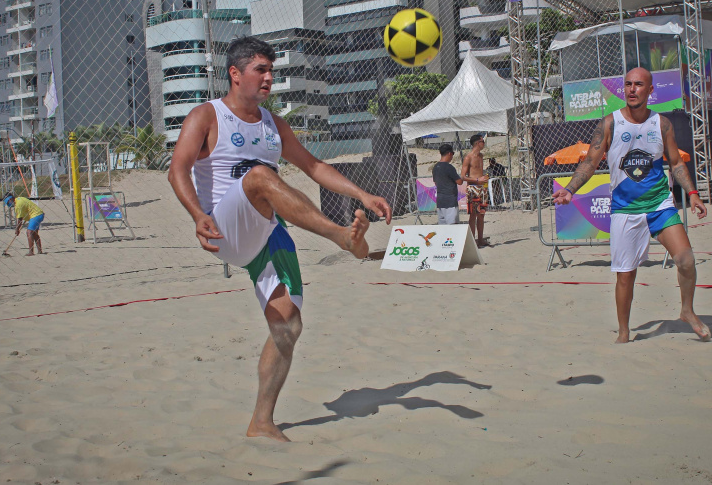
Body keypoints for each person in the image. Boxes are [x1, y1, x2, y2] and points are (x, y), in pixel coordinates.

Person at [167, 36, 392, 442]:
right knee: (259, 177)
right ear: (235, 75)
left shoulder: (274, 124)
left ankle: (262, 422)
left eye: (272, 70)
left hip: (268, 231)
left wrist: (361, 194)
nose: (270, 77)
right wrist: (197, 214)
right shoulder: (207, 116)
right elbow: (177, 170)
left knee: (288, 325)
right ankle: (341, 237)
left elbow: (313, 165)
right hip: (225, 225)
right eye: (261, 70)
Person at [552, 67, 711, 344]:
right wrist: (569, 190)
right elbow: (590, 161)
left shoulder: (662, 124)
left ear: (650, 90)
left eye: (638, 85)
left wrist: (693, 193)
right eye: (627, 84)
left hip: (659, 204)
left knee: (686, 260)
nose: (631, 89)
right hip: (625, 209)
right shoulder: (609, 123)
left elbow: (675, 162)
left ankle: (687, 310)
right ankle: (624, 332)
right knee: (626, 276)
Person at [432, 143, 486, 225]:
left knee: (443, 228)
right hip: (450, 201)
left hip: (440, 202)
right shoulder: (449, 167)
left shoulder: (435, 167)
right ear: (449, 153)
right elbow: (459, 182)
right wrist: (465, 176)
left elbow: (435, 183)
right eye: (452, 154)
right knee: (453, 227)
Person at [462, 134, 489, 247]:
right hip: (473, 188)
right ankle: (473, 241)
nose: (484, 143)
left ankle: (481, 239)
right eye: (482, 141)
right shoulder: (468, 157)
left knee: (481, 214)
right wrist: (477, 179)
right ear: (478, 143)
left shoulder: (481, 156)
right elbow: (463, 176)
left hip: (482, 188)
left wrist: (483, 180)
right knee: (473, 215)